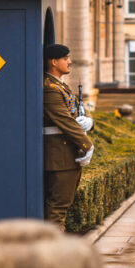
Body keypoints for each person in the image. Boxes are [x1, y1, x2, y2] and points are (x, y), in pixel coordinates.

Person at [43, 43, 94, 226]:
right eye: (65, 59)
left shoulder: (59, 86)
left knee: (61, 206)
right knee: (58, 209)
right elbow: (64, 120)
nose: (70, 62)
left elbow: (76, 108)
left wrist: (89, 121)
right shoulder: (50, 87)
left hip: (66, 154)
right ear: (54, 62)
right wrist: (86, 144)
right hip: (59, 156)